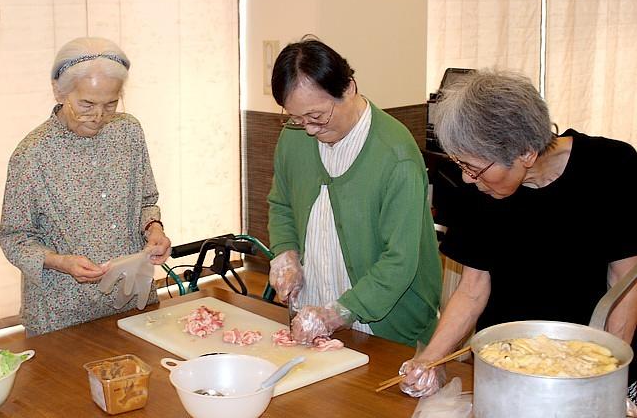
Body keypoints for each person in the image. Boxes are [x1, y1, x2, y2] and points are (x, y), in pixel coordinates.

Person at [399, 70, 637, 406]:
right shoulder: (479, 188)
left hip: (591, 358)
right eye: (460, 164)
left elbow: (625, 284)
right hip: (510, 364)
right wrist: (428, 360)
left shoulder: (612, 166)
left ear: (525, 152)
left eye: (475, 168)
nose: (467, 179)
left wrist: (603, 378)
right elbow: (471, 290)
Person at [267, 37, 442, 346]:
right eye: (296, 118)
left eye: (317, 116)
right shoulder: (293, 138)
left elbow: (399, 261)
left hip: (385, 326)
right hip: (314, 314)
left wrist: (338, 314)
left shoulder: (395, 154)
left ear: (348, 87)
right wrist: (286, 253)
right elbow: (281, 203)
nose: (308, 129)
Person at [0, 37, 172, 337]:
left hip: (130, 300)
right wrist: (61, 262)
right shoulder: (33, 154)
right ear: (59, 91)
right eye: (87, 104)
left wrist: (154, 229)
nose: (99, 117)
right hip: (63, 312)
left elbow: (146, 199)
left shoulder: (128, 132)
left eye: (110, 104)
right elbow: (14, 237)